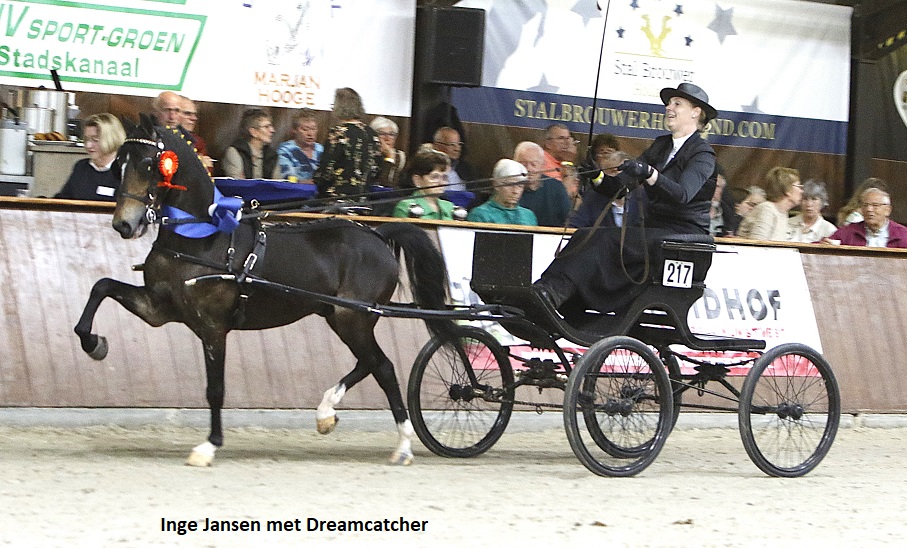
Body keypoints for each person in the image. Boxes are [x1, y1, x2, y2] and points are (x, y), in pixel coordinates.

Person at [533, 83, 719, 312]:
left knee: (607, 240)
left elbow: (681, 194)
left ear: (696, 112)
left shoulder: (702, 154)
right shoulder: (661, 146)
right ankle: (547, 289)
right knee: (585, 234)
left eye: (676, 104)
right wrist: (597, 176)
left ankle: (555, 293)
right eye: (669, 103)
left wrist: (650, 173)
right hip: (652, 232)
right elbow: (621, 187)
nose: (668, 108)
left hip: (681, 238)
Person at [314, 87, 382, 199]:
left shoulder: (338, 133)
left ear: (338, 108)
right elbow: (376, 171)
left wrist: (316, 180)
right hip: (363, 200)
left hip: (336, 199)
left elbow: (326, 171)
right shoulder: (372, 135)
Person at [54, 113, 126, 201]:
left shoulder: (126, 172)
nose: (88, 145)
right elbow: (63, 200)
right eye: (86, 139)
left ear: (112, 139)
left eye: (95, 140)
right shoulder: (81, 167)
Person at [568, 150, 632, 228]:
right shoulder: (592, 198)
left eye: (623, 172)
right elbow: (574, 227)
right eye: (612, 172)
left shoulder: (643, 198)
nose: (618, 176)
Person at [514, 141, 572, 227]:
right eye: (523, 164)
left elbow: (568, 221)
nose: (528, 169)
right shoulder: (508, 187)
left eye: (533, 164)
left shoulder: (557, 188)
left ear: (543, 165)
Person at [736, 167, 802, 241]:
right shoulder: (767, 209)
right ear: (787, 190)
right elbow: (757, 246)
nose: (801, 191)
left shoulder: (783, 213)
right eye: (799, 186)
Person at [466, 159, 538, 226]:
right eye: (510, 185)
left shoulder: (528, 216)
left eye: (520, 186)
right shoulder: (480, 215)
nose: (515, 191)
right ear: (496, 184)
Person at [828, 188, 907, 248]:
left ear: (887, 210)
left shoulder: (902, 235)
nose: (869, 209)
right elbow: (823, 245)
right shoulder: (848, 232)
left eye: (875, 205)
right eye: (865, 205)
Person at [391, 149, 455, 220]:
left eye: (444, 177)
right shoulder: (406, 207)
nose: (441, 183)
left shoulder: (450, 207)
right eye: (434, 177)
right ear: (417, 180)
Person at [221, 108, 280, 179]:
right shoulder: (235, 152)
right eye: (266, 127)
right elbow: (238, 184)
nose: (272, 130)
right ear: (253, 132)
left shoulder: (271, 155)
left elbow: (277, 184)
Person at [276, 109, 323, 182]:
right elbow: (287, 176)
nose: (310, 133)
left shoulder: (321, 149)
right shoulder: (285, 150)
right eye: (305, 129)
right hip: (295, 191)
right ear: (294, 130)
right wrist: (301, 182)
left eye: (313, 129)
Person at [432, 126, 477, 191]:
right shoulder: (427, 167)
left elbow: (476, 196)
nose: (457, 149)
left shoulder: (467, 169)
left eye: (459, 144)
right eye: (452, 144)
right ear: (437, 146)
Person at [179, 96, 214, 173]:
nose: (194, 118)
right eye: (187, 113)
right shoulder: (160, 138)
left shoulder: (198, 142)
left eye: (195, 114)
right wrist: (197, 163)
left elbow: (208, 170)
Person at [370, 116, 406, 188]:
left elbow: (392, 182)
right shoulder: (369, 154)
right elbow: (380, 181)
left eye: (391, 134)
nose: (387, 138)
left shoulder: (400, 155)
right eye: (382, 134)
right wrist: (389, 158)